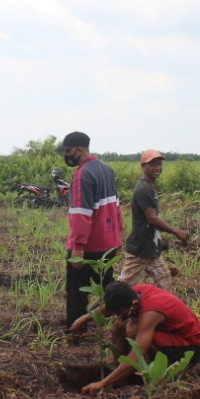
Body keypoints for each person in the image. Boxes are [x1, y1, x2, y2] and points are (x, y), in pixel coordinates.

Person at [71, 281, 200, 394]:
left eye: (120, 312)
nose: (117, 314)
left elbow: (137, 353)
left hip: (189, 348)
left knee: (134, 331)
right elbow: (108, 309)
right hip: (170, 335)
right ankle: (119, 375)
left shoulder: (150, 313)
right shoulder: (134, 293)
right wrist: (83, 319)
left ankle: (164, 373)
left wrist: (103, 383)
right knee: (119, 325)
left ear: (133, 304)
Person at [57, 132, 124, 329]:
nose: (66, 155)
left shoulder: (82, 175)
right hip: (108, 244)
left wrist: (78, 247)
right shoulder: (106, 169)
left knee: (77, 292)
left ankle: (76, 331)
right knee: (107, 287)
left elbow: (80, 215)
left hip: (88, 247)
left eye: (68, 151)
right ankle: (127, 314)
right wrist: (118, 239)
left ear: (79, 149)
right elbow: (116, 206)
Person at [118, 149, 190, 288]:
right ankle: (98, 309)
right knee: (122, 288)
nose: (158, 167)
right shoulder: (144, 189)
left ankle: (161, 308)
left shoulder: (149, 187)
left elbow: (151, 221)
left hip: (150, 248)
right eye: (153, 164)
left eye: (159, 164)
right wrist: (176, 232)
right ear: (143, 166)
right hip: (140, 250)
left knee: (164, 279)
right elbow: (152, 219)